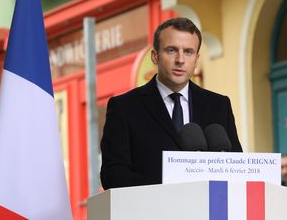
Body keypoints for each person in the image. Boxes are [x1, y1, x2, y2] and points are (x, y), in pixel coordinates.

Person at [100, 17, 243, 190]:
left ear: (196, 59)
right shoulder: (124, 107)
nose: (180, 60)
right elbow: (113, 175)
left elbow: (236, 169)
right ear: (155, 56)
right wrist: (169, 189)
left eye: (188, 52)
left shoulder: (219, 106)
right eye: (172, 50)